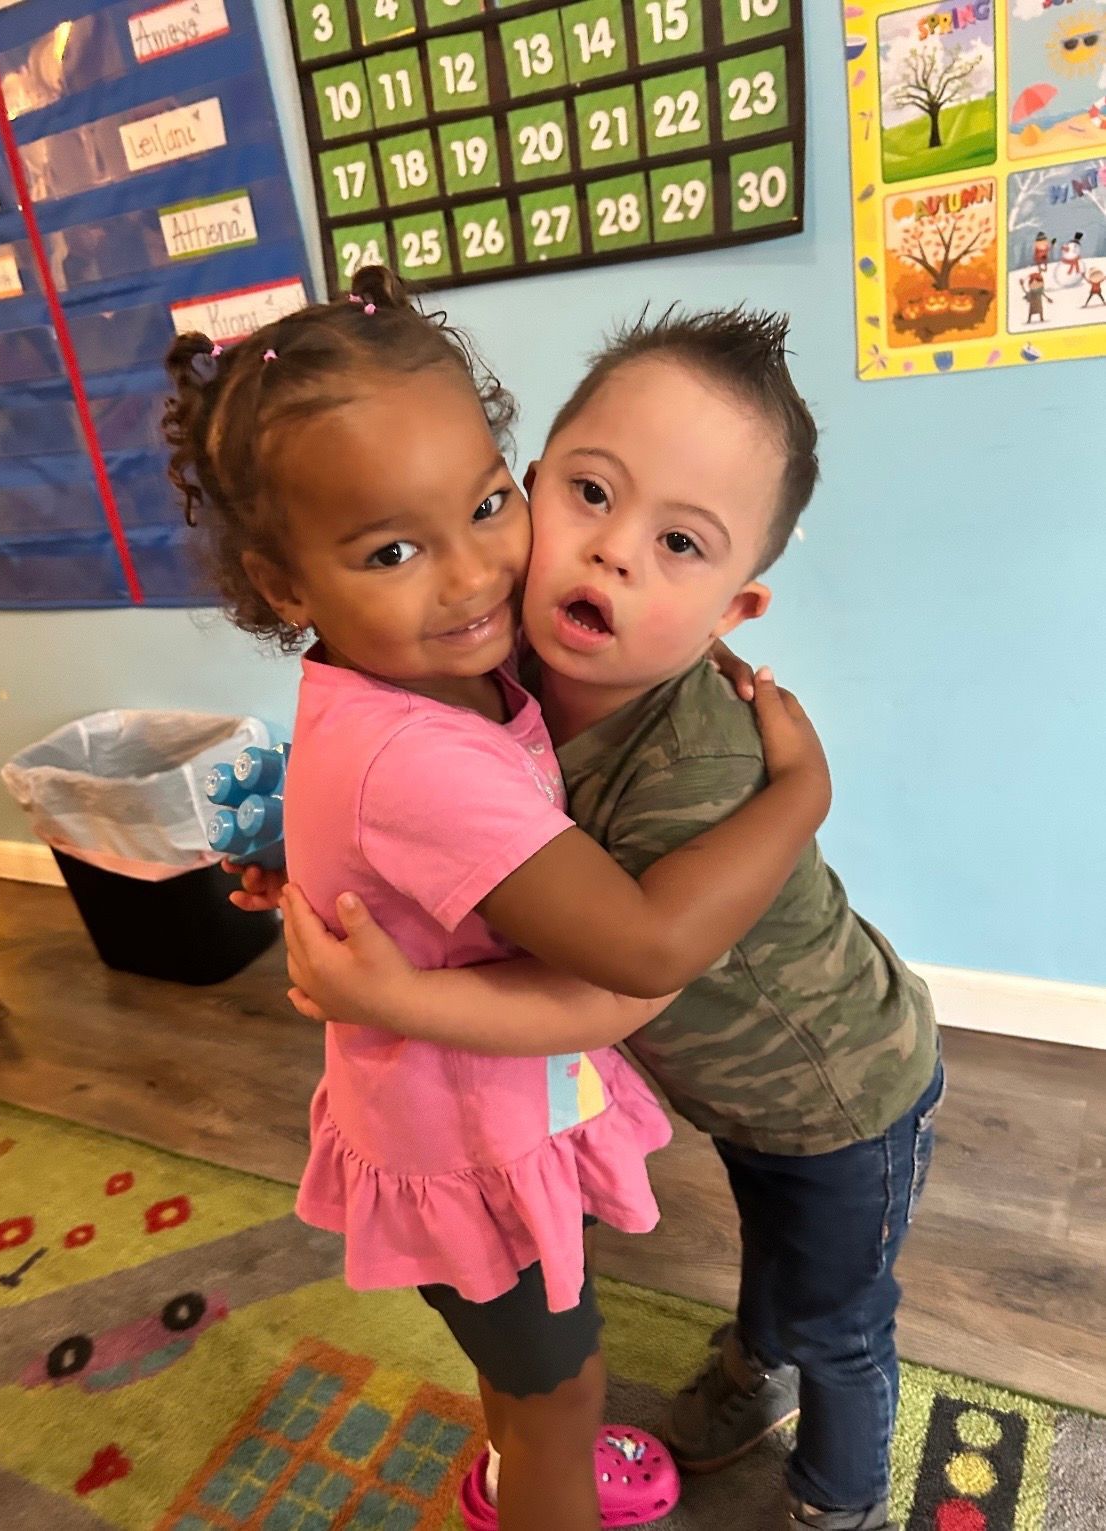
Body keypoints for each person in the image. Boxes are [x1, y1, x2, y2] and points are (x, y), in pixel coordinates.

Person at [162, 269, 831, 1531]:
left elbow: (368, 822)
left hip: (447, 1111)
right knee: (561, 1387)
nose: (474, 576)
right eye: (395, 549)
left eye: (486, 503)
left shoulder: (420, 670)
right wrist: (801, 791)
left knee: (524, 1363)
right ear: (288, 585)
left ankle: (521, 1460)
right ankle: (539, 1481)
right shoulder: (422, 753)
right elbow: (644, 946)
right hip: (462, 1139)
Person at [281, 304, 942, 1531]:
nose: (616, 553)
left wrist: (805, 787)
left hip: (846, 1094)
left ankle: (835, 1500)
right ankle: (755, 1368)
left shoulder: (697, 761)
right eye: (589, 493)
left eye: (679, 542)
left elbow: (640, 959)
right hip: (726, 1094)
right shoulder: (498, 670)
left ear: (733, 612)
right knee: (776, 1273)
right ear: (527, 488)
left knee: (840, 1320)